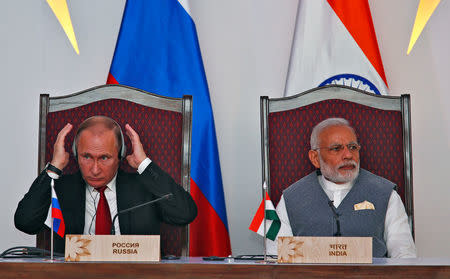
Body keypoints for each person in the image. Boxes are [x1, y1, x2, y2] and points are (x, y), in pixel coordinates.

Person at [15, 116, 197, 253]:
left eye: (104, 157)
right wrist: (53, 168)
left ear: (120, 156)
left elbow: (185, 214)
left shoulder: (144, 188)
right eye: (86, 157)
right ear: (76, 154)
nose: (95, 170)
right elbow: (25, 223)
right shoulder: (61, 188)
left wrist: (144, 165)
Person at [267, 118, 416, 258]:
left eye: (353, 147)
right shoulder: (291, 198)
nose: (348, 155)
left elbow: (404, 257)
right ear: (315, 158)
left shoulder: (385, 194)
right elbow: (276, 258)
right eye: (336, 148)